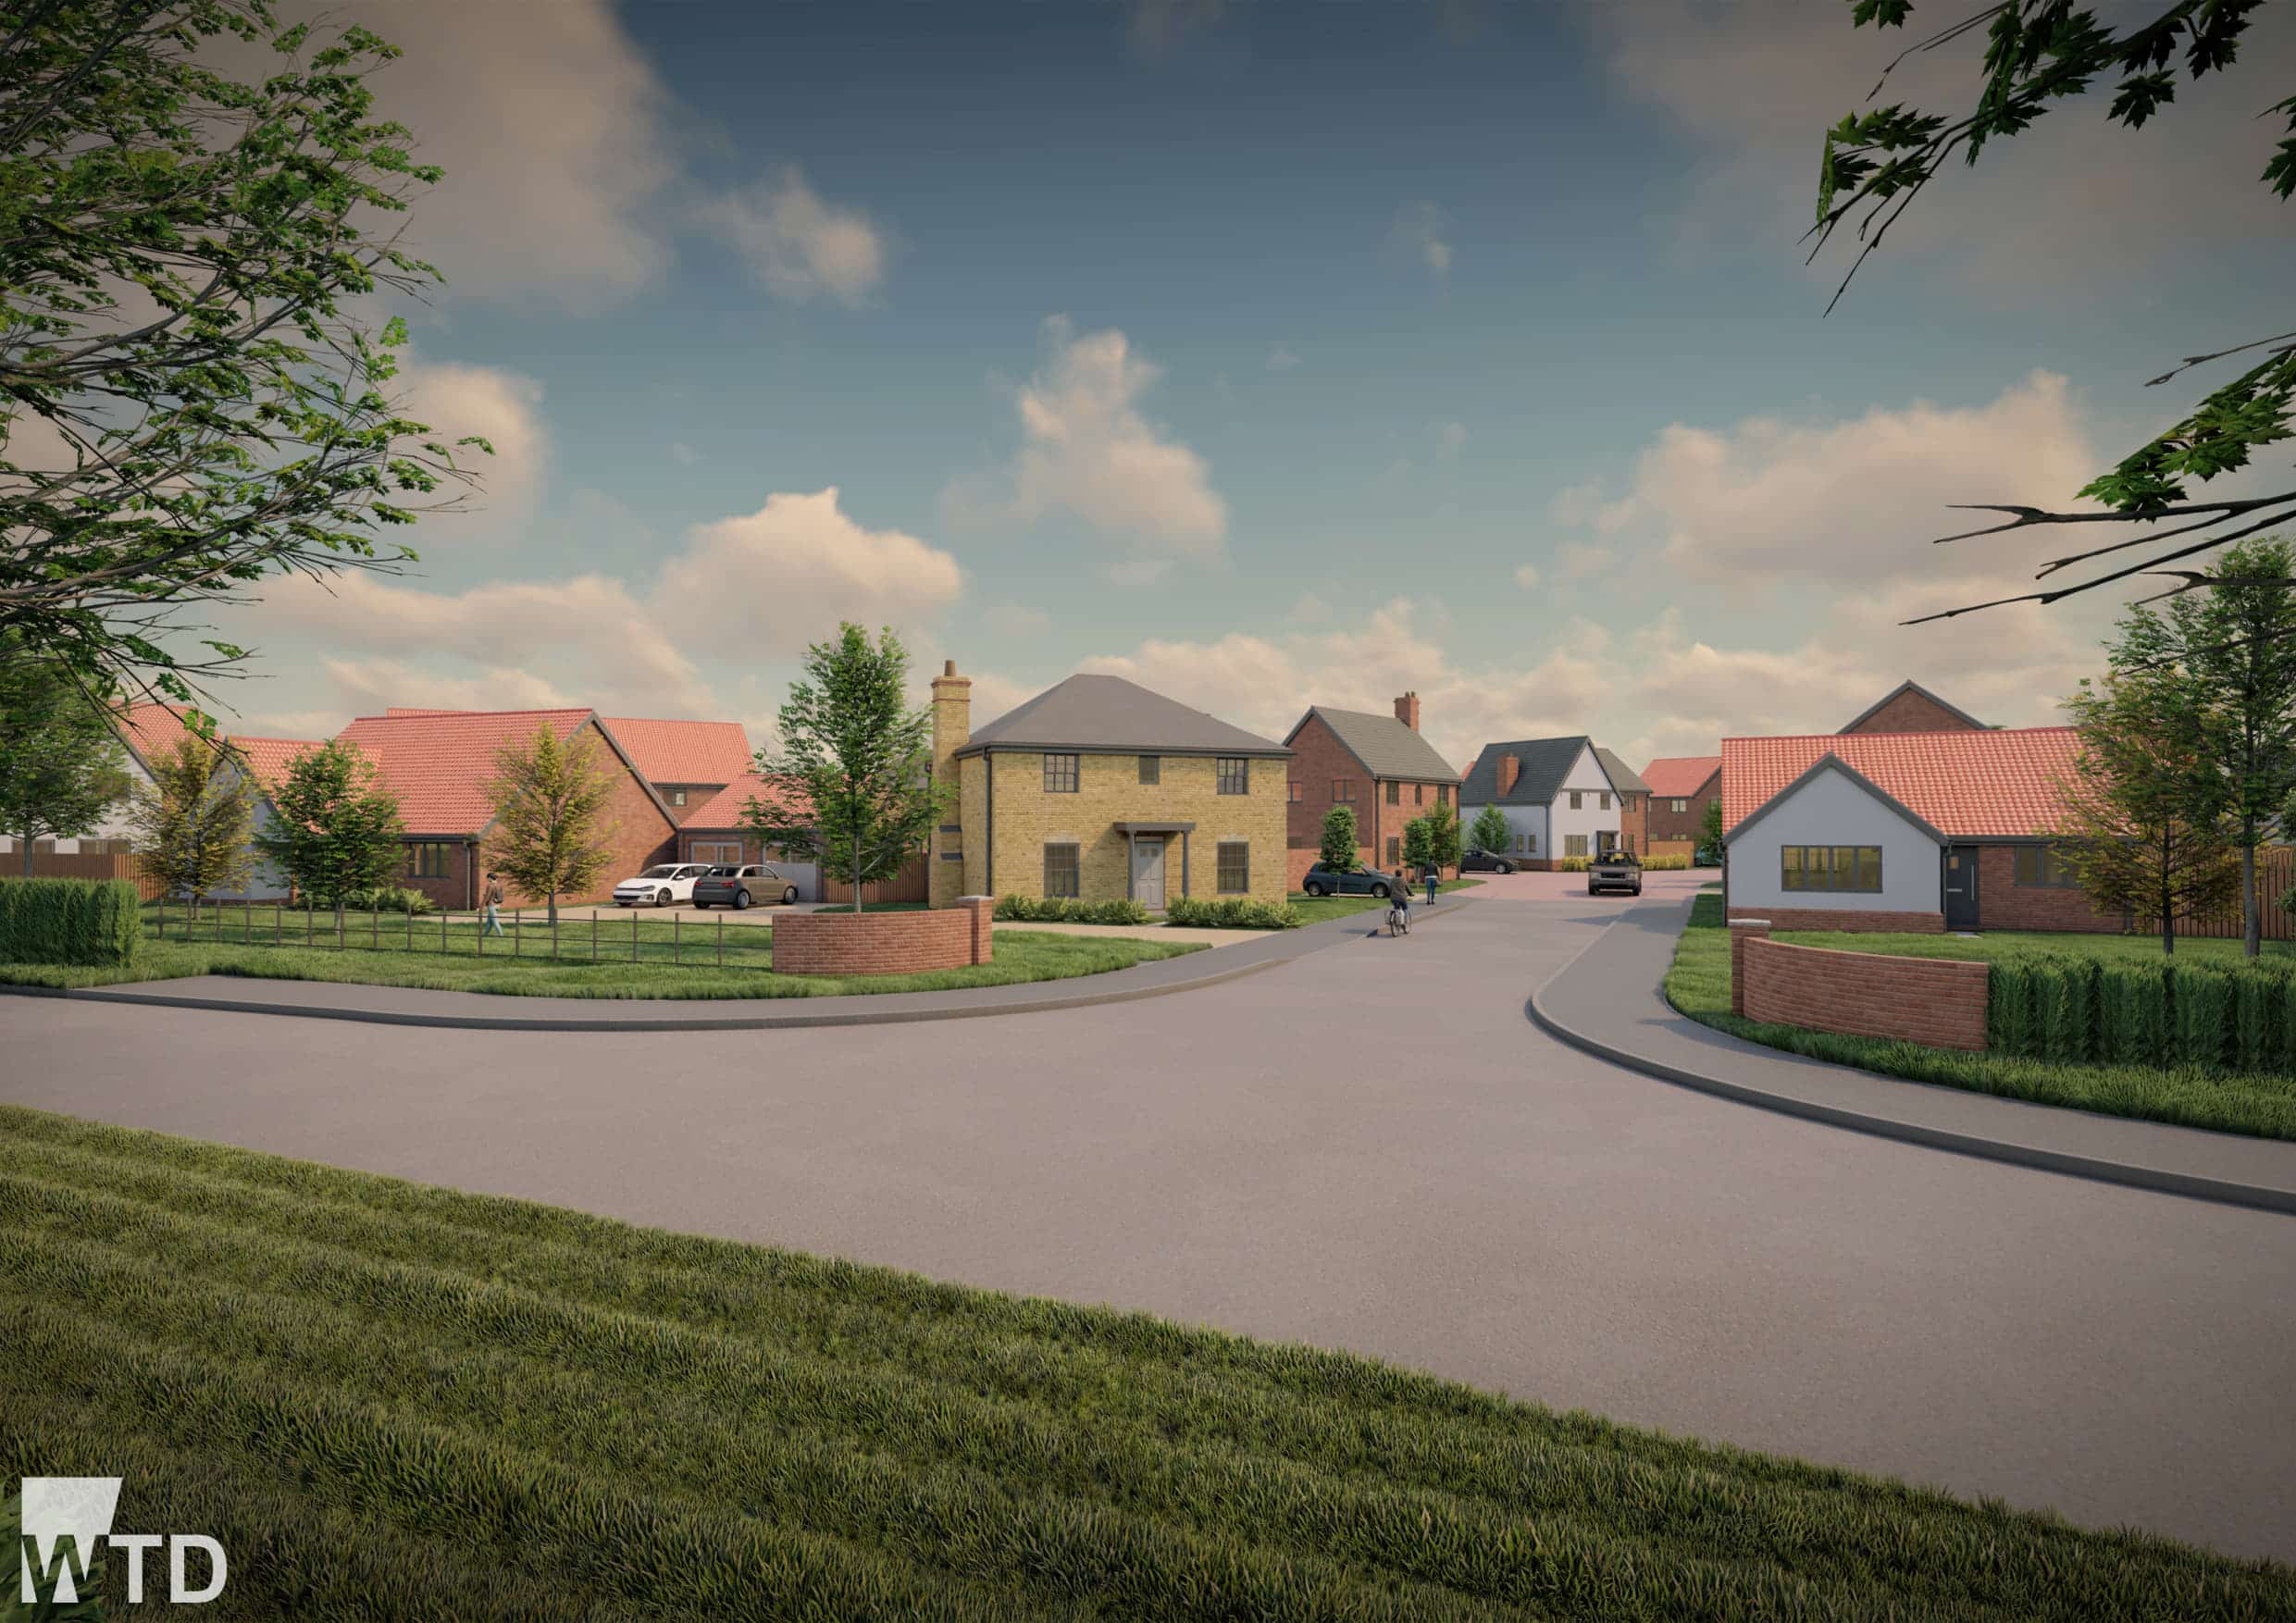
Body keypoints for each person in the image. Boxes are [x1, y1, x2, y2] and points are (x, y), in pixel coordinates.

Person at [483, 871, 505, 936]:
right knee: (489, 922)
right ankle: (484, 935)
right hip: (497, 904)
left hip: (491, 905)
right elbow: (499, 895)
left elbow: (487, 897)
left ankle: (501, 935)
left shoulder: (490, 886)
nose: (487, 879)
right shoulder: (499, 885)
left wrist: (481, 906)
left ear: (490, 878)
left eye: (488, 878)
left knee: (495, 921)